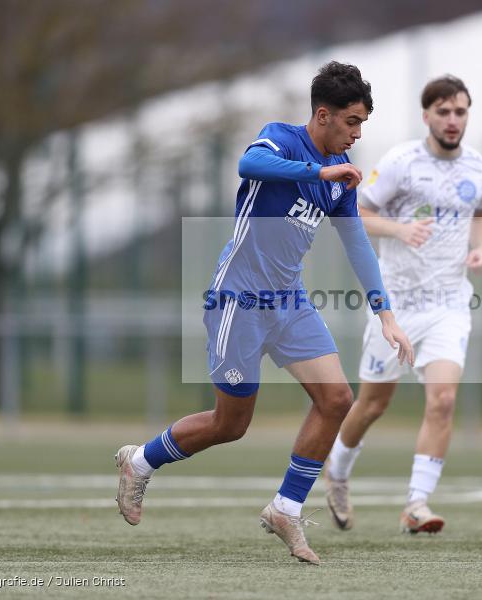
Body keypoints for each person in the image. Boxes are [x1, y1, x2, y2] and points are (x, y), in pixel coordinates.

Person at [114, 61, 414, 565]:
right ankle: (140, 461)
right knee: (231, 424)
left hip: (289, 301)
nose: (357, 133)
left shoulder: (340, 180)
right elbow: (249, 166)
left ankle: (285, 508)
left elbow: (358, 243)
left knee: (337, 398)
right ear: (323, 115)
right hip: (239, 298)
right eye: (352, 122)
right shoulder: (281, 140)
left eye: (362, 123)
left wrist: (385, 314)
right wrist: (318, 170)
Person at [324, 75, 482, 534]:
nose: (453, 120)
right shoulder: (401, 162)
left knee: (442, 400)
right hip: (396, 306)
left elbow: (481, 214)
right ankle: (337, 472)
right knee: (373, 405)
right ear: (427, 116)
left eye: (460, 111)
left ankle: (416, 504)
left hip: (448, 304)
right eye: (443, 111)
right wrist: (400, 230)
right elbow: (358, 212)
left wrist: (480, 249)